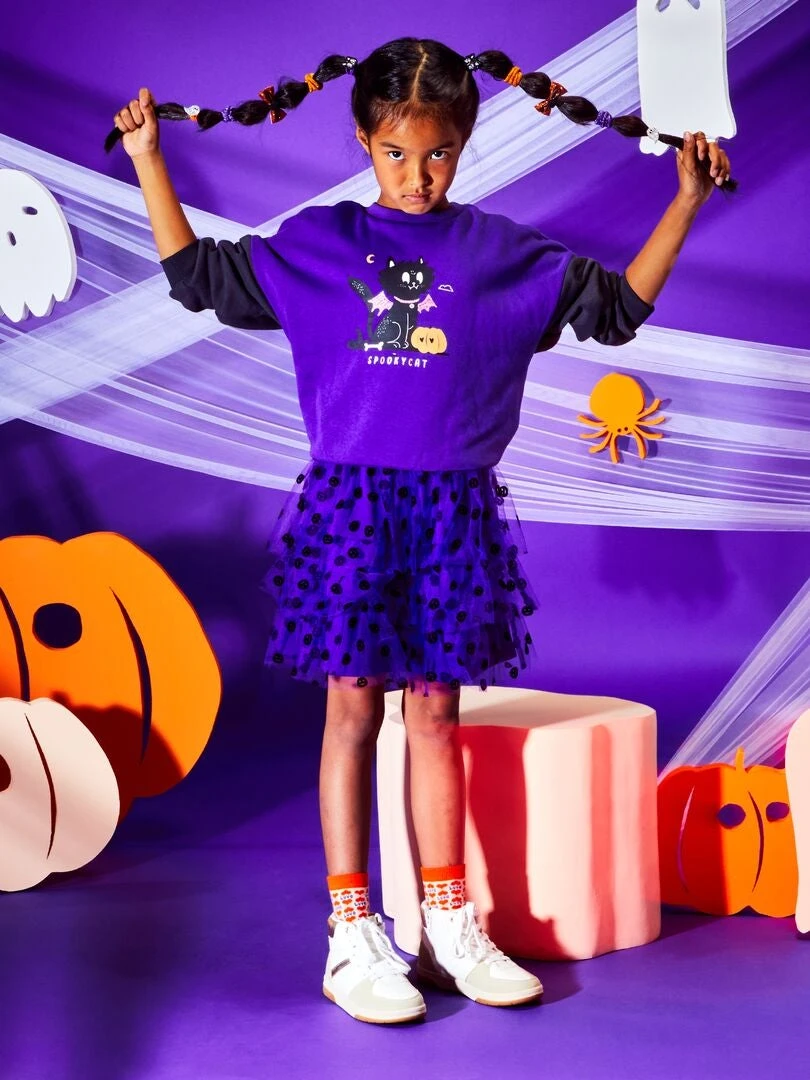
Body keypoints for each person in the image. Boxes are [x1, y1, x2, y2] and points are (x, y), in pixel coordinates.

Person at [112, 37, 731, 1025]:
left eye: (437, 153)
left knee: (436, 714)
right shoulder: (321, 244)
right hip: (352, 510)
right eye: (396, 153)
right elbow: (200, 279)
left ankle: (446, 923)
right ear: (365, 141)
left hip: (451, 514)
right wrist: (151, 159)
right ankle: (351, 932)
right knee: (353, 710)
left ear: (464, 143)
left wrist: (687, 201)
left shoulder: (500, 253)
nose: (416, 175)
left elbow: (615, 312)